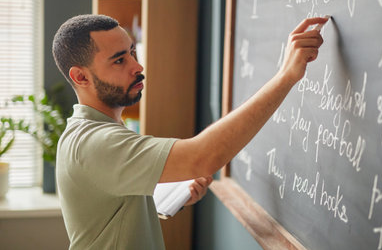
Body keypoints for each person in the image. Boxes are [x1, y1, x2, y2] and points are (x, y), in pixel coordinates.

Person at [52, 14, 328, 249]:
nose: (138, 67)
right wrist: (286, 76)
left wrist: (161, 195)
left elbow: (110, 205)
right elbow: (203, 156)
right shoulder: (94, 142)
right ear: (81, 77)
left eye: (133, 52)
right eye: (119, 60)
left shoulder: (94, 130)